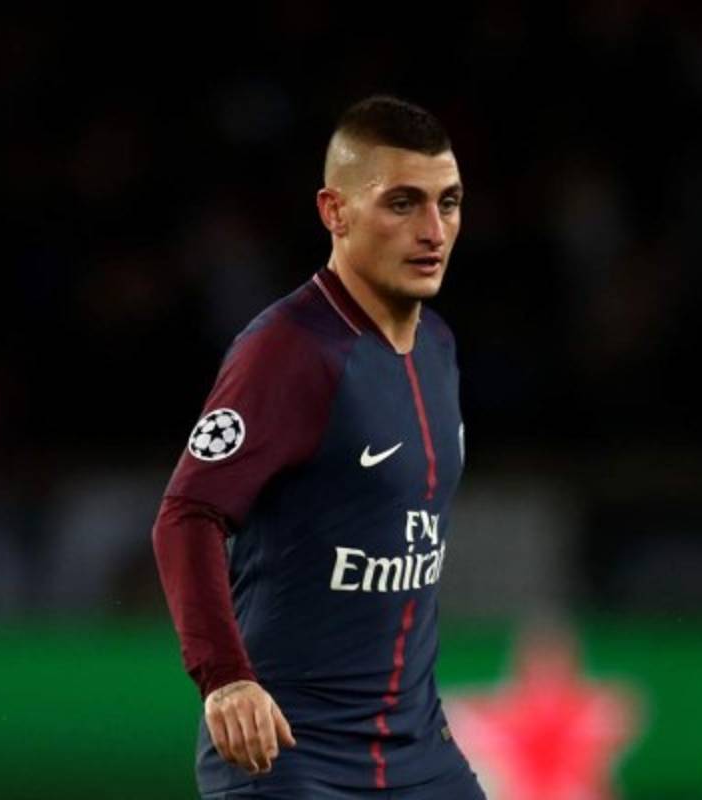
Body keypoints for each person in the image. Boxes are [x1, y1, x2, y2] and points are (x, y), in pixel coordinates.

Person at [151, 95, 486, 799]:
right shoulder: (289, 352)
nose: (433, 230)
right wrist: (225, 678)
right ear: (335, 211)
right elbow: (187, 515)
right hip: (292, 756)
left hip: (419, 754)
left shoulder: (438, 347)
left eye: (448, 202)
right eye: (402, 203)